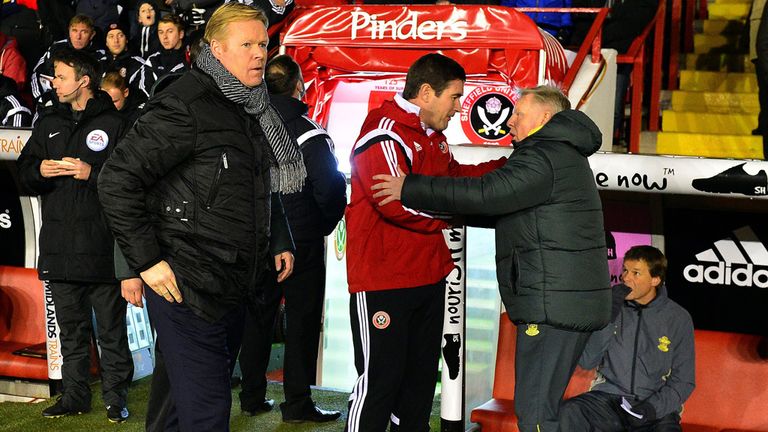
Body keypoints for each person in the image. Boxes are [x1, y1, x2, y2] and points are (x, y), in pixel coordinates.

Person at [97, 3, 304, 430]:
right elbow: (118, 179)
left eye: (263, 43)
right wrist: (146, 262)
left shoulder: (250, 104)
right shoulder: (184, 103)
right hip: (186, 285)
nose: (259, 53)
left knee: (175, 409)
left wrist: (278, 237)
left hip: (232, 283)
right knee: (208, 414)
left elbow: (255, 182)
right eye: (247, 44)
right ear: (216, 49)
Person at [371, 85, 611, 432]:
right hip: (562, 302)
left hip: (552, 305)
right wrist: (453, 214)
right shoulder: (562, 153)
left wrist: (410, 187)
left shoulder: (544, 154)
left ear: (545, 118)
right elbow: (511, 208)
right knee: (540, 409)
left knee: (536, 415)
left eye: (519, 114)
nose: (510, 121)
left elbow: (488, 193)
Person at [345, 53, 506, 432]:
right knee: (379, 382)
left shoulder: (435, 138)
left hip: (429, 278)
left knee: (418, 384)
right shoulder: (383, 132)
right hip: (383, 282)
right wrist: (454, 214)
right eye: (455, 97)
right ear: (427, 92)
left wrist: (506, 168)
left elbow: (454, 182)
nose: (458, 107)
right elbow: (395, 205)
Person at [16, 47, 133, 423]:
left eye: (61, 76)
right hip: (60, 251)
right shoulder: (48, 121)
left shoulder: (116, 125)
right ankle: (75, 396)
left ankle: (116, 399)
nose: (54, 82)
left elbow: (131, 182)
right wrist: (40, 172)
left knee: (112, 334)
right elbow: (23, 173)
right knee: (71, 333)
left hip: (101, 250)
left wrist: (91, 174)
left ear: (83, 81)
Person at [237, 54, 346, 423]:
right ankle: (297, 403)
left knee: (256, 316)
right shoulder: (309, 132)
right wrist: (320, 227)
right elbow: (330, 190)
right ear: (299, 87)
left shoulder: (245, 125)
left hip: (254, 238)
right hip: (301, 241)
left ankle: (251, 394)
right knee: (301, 321)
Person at [560, 245, 696, 431]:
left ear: (655, 279)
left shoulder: (678, 318)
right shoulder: (610, 307)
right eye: (625, 270)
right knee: (571, 411)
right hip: (608, 400)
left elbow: (684, 381)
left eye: (636, 273)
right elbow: (588, 360)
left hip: (654, 407)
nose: (626, 278)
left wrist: (651, 409)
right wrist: (608, 316)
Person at [30, 14, 107, 102]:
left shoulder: (100, 56)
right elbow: (37, 73)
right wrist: (41, 98)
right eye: (74, 31)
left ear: (92, 34)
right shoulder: (56, 48)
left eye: (84, 32)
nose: (78, 37)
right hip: (52, 101)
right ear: (69, 31)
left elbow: (100, 85)